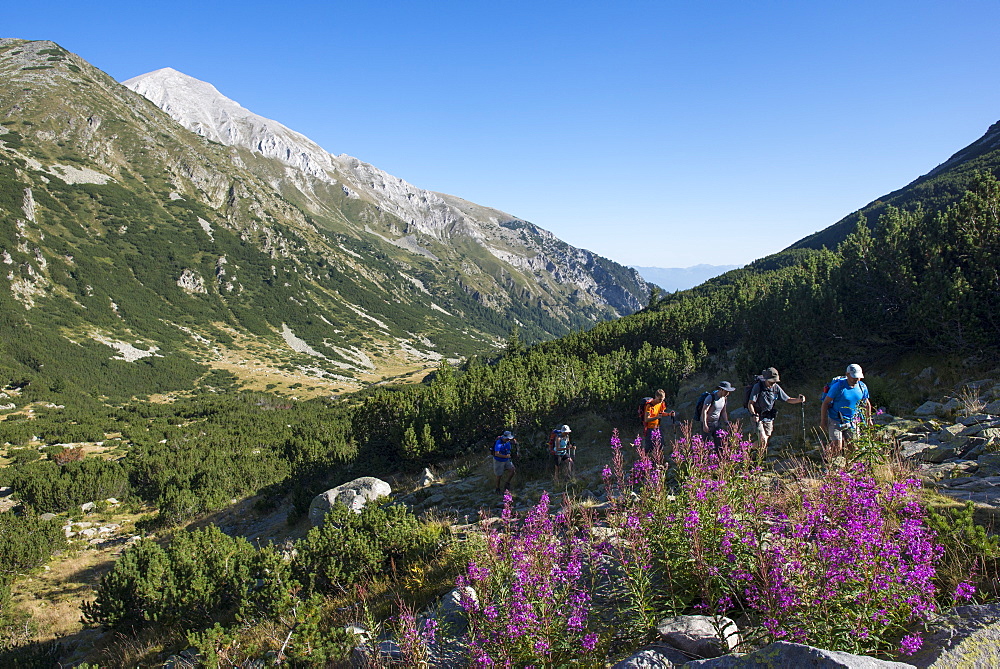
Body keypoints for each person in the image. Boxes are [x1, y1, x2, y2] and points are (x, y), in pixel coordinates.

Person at [820, 364, 872, 457]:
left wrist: (869, 419)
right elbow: (825, 403)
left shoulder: (862, 387)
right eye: (853, 377)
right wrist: (823, 421)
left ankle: (851, 467)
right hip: (835, 420)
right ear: (847, 374)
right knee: (837, 447)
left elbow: (867, 403)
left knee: (854, 447)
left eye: (858, 377)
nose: (856, 379)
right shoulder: (838, 387)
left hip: (852, 421)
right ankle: (831, 464)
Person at [747, 367, 806, 449]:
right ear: (766, 379)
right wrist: (753, 414)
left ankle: (750, 452)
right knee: (762, 439)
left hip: (769, 417)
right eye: (771, 382)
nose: (773, 384)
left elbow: (788, 399)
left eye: (775, 381)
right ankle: (746, 450)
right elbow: (750, 403)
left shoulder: (776, 387)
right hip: (758, 416)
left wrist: (799, 400)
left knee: (764, 441)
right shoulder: (758, 387)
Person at [700, 382, 734, 449]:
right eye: (726, 391)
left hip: (716, 423)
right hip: (708, 423)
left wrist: (726, 422)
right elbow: (704, 411)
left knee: (719, 444)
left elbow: (723, 411)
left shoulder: (724, 398)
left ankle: (719, 457)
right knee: (707, 444)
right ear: (721, 389)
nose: (728, 393)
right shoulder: (711, 397)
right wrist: (705, 425)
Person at [641, 389, 672, 454]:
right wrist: (656, 417)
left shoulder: (661, 404)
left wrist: (669, 414)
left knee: (661, 445)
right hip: (650, 428)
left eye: (663, 399)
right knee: (649, 448)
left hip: (657, 427)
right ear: (656, 397)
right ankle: (646, 461)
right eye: (659, 399)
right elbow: (646, 419)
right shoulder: (649, 406)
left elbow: (661, 413)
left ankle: (658, 460)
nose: (661, 401)